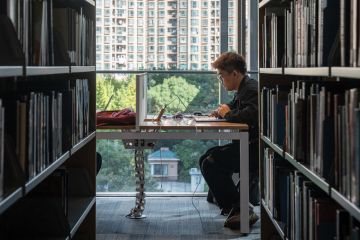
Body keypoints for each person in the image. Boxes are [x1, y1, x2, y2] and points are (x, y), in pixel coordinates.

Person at [198, 51, 259, 229]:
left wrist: (228, 113)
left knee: (210, 162)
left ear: (235, 73)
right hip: (247, 146)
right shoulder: (244, 88)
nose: (221, 81)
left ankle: (239, 208)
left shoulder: (251, 89)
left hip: (253, 150)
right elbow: (236, 105)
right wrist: (224, 110)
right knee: (206, 157)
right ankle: (232, 204)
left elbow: (252, 114)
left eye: (222, 76)